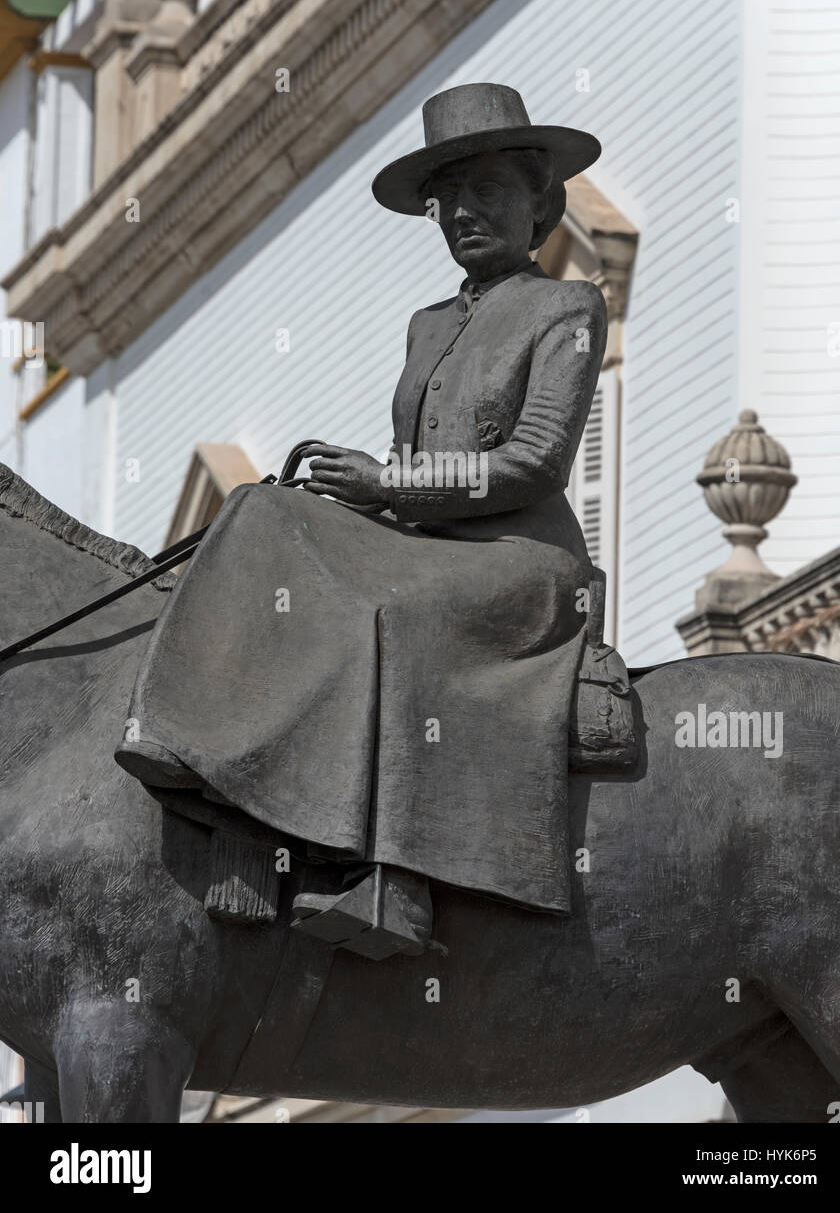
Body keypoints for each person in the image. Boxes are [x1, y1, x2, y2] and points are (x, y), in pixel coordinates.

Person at [117, 83, 607, 959]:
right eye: (444, 198)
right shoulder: (427, 326)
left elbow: (536, 462)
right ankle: (215, 779)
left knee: (385, 615)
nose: (460, 212)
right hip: (425, 545)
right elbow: (404, 458)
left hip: (519, 560)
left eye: (485, 189)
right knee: (265, 514)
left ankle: (397, 885)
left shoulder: (565, 309)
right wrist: (361, 489)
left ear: (542, 203)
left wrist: (390, 488)